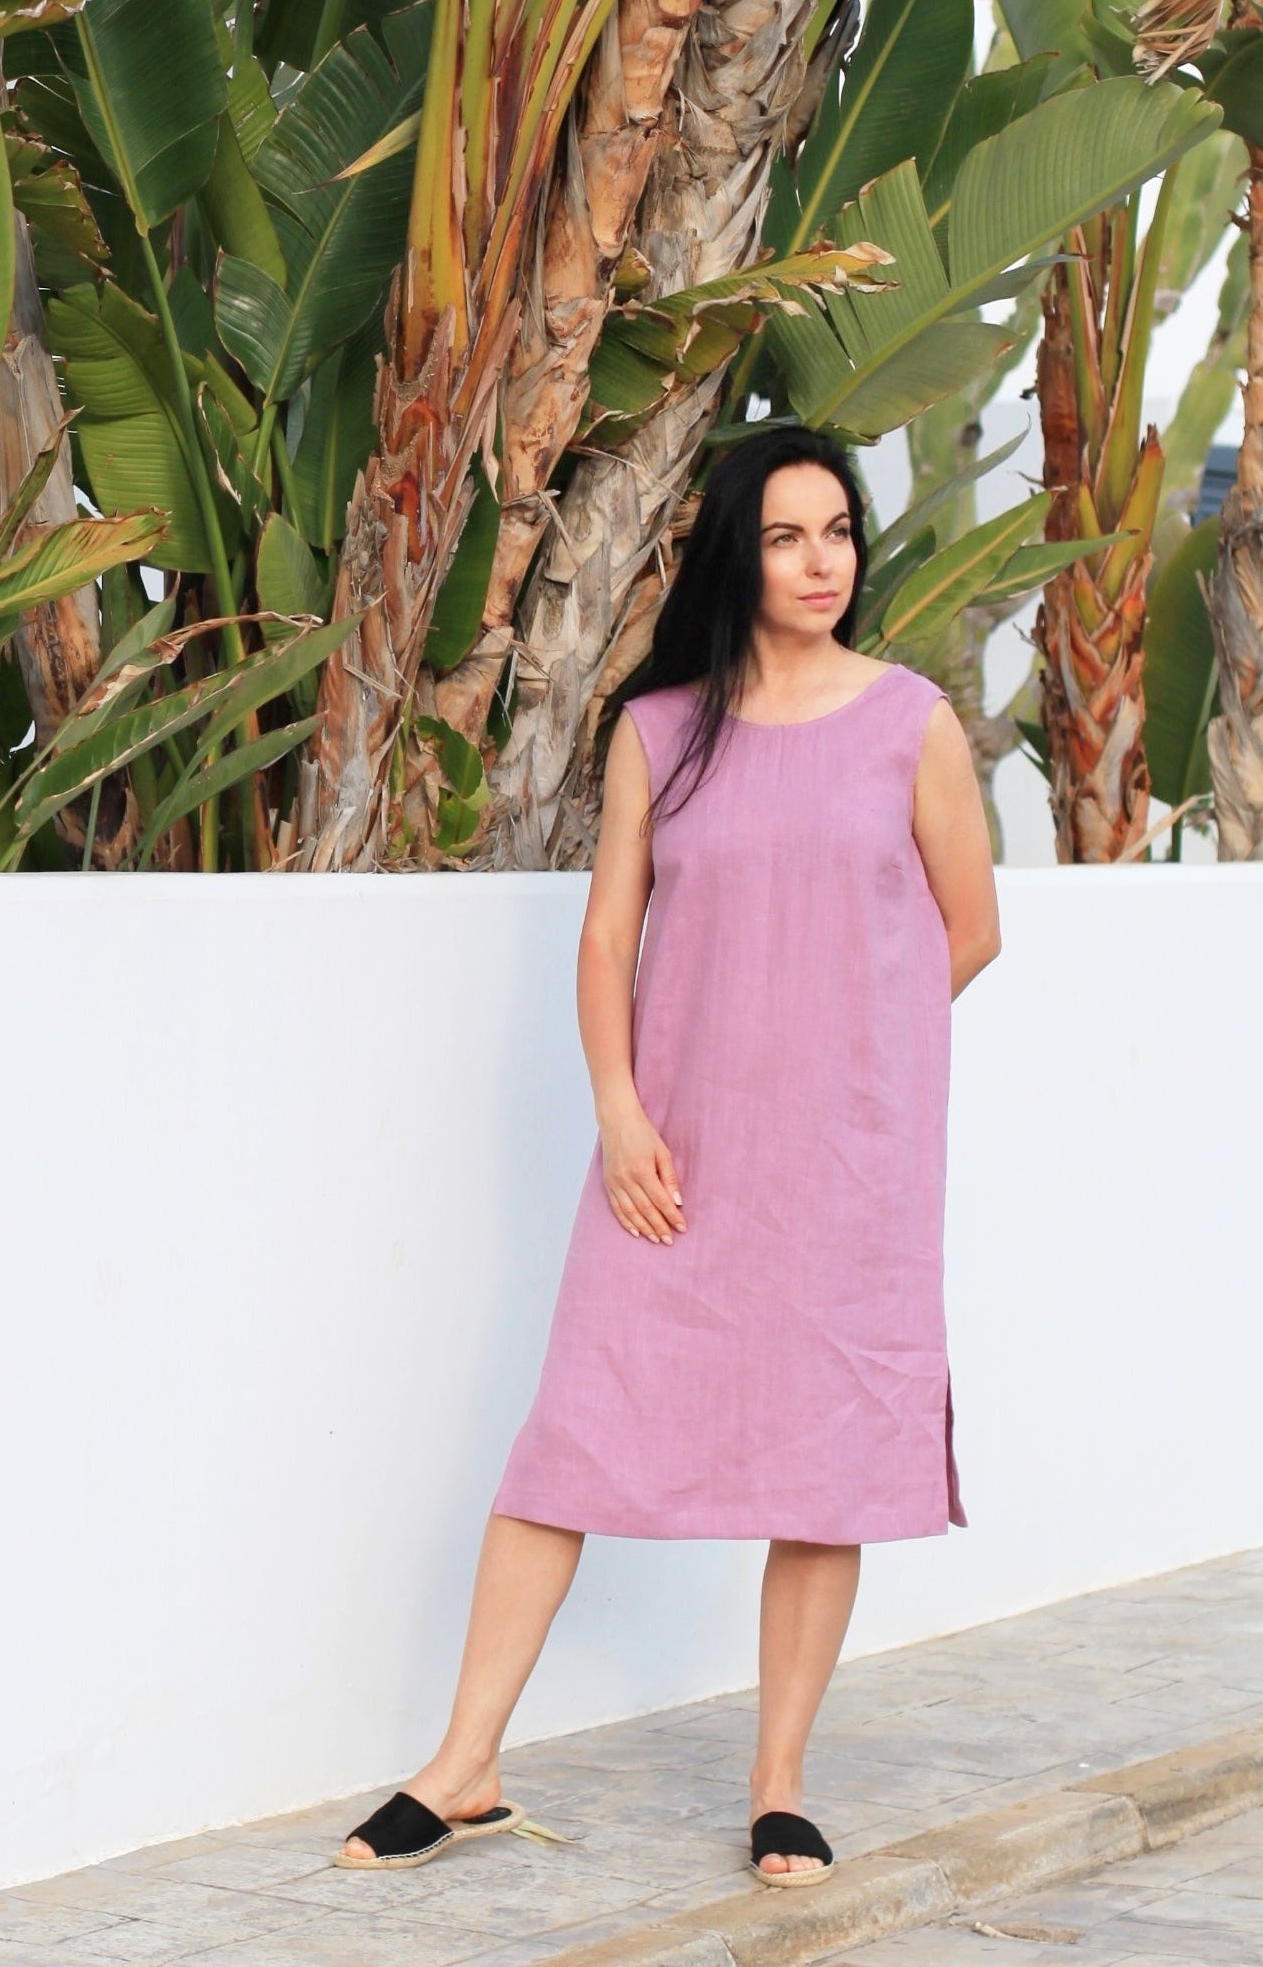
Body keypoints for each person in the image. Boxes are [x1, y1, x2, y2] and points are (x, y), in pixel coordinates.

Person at [337, 424, 1001, 1886]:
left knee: (829, 1466)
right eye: (786, 536)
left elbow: (971, 927)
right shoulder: (660, 730)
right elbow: (604, 936)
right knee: (570, 1437)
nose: (820, 561)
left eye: (837, 532)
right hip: (671, 1161)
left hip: (844, 1172)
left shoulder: (910, 722)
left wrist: (852, 1064)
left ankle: (779, 1788)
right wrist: (622, 1111)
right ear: (735, 554)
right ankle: (463, 1767)